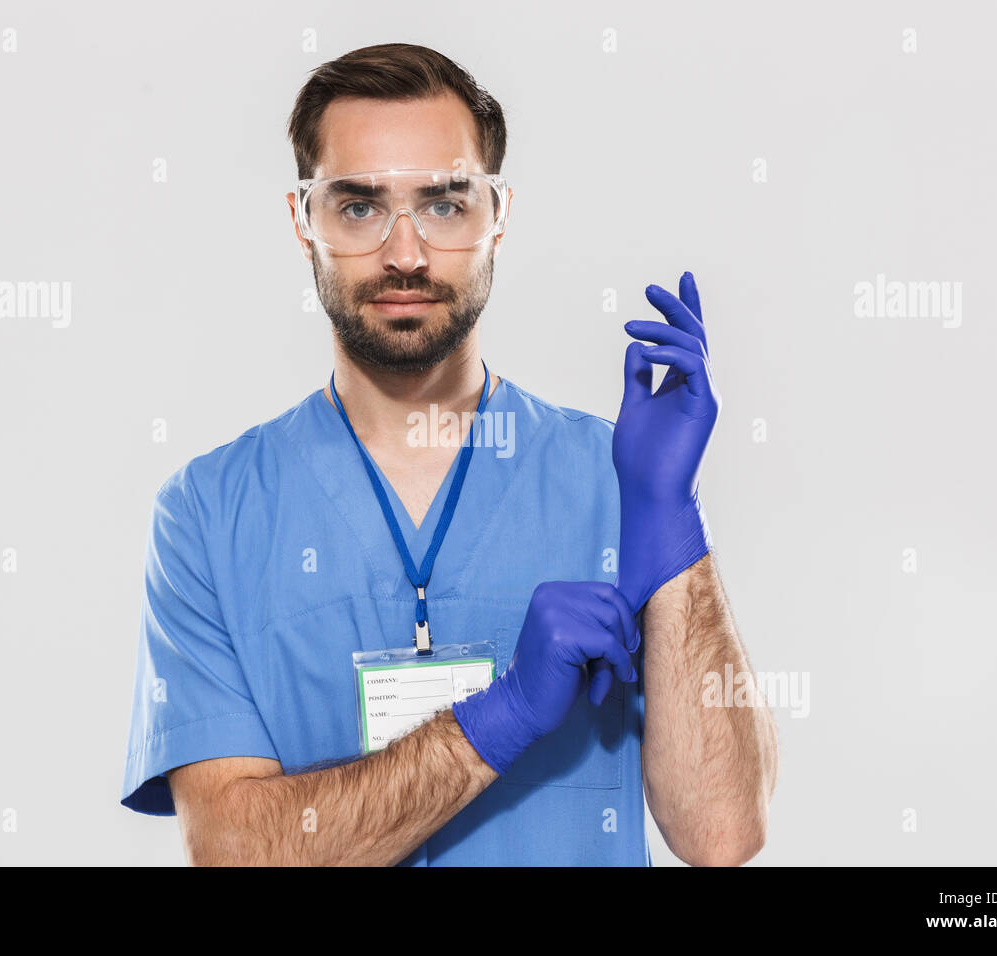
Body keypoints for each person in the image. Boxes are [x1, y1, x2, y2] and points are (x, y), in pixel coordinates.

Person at [120, 42, 778, 866]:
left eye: (444, 204)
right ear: (302, 221)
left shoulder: (611, 480)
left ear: (497, 215)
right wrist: (501, 716)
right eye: (359, 206)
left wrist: (669, 514)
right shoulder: (210, 514)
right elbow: (233, 849)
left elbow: (722, 834)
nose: (404, 254)